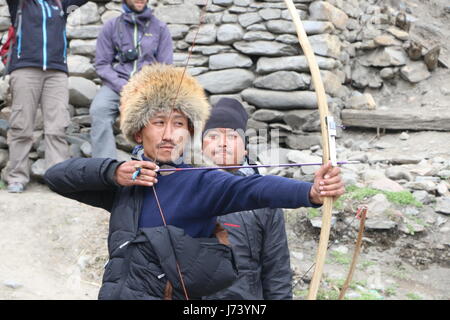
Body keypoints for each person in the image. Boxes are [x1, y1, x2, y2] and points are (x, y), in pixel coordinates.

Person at [44, 64, 345, 300]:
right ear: (139, 133)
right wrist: (113, 171)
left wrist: (311, 191)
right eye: (159, 122)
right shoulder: (125, 183)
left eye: (179, 125)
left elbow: (253, 188)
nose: (168, 134)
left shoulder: (201, 182)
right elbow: (57, 177)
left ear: (188, 135)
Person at [202, 98, 292, 300]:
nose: (223, 142)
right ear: (200, 147)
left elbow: (277, 273)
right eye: (213, 135)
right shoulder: (183, 190)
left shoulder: (263, 199)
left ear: (245, 150)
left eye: (233, 136)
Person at [4, 0, 89, 193]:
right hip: (25, 68)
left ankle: (57, 178)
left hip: (56, 72)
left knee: (57, 126)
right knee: (21, 126)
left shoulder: (61, 4)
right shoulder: (20, 3)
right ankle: (17, 177)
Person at [90, 0, 173, 159]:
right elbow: (102, 65)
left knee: (162, 117)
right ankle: (105, 168)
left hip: (149, 88)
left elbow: (166, 68)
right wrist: (125, 87)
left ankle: (154, 163)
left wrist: (144, 89)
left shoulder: (160, 28)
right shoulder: (111, 26)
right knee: (98, 110)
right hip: (117, 85)